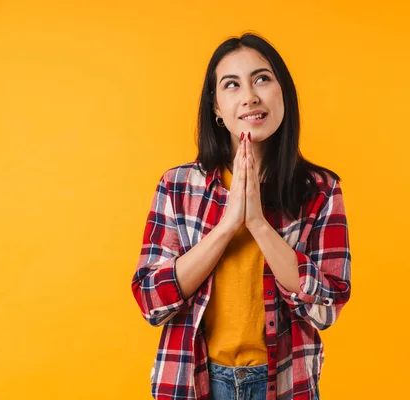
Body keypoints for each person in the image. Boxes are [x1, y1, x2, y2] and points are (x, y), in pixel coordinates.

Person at [131, 32, 352, 400]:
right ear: (216, 107)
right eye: (231, 85)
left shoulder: (321, 190)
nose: (250, 96)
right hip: (193, 381)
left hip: (284, 383)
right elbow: (151, 301)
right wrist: (228, 225)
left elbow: (326, 308)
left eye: (262, 79)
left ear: (283, 93)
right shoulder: (178, 186)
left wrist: (259, 225)